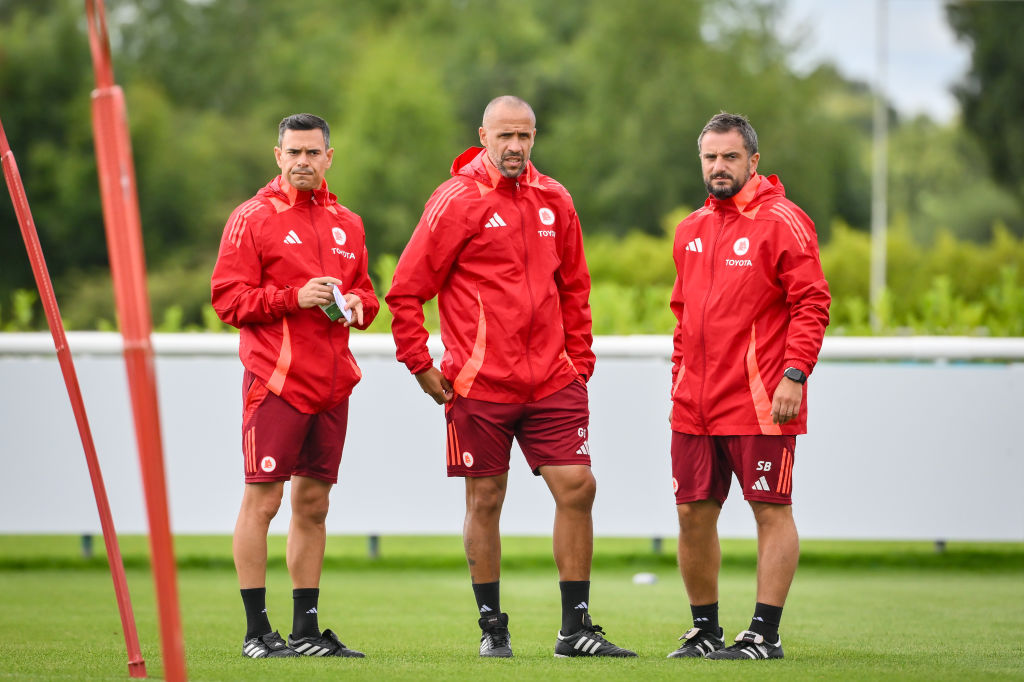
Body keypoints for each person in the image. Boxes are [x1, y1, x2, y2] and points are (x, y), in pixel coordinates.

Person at [385, 96, 636, 659]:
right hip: (479, 384)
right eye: (505, 136)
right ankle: (492, 626)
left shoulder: (556, 198)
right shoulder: (454, 200)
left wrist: (580, 364)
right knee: (487, 497)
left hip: (552, 381)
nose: (516, 147)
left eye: (525, 136)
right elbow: (405, 291)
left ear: (535, 137)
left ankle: (575, 629)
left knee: (578, 486)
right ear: (483, 135)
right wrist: (420, 365)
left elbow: (575, 288)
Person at [211, 113, 378, 659]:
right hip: (276, 383)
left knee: (314, 507)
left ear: (330, 157)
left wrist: (356, 305)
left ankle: (305, 632)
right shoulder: (252, 218)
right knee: (263, 501)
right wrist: (292, 297)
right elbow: (227, 300)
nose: (303, 161)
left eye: (313, 153)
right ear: (277, 156)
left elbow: (367, 298)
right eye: (294, 152)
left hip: (332, 387)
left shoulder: (348, 222)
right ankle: (257, 632)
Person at [666, 112, 830, 661]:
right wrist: (679, 379)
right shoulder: (690, 228)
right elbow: (682, 314)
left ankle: (764, 633)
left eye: (730, 157)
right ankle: (705, 629)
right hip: (695, 404)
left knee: (770, 509)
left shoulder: (784, 220)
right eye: (710, 157)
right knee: (692, 512)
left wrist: (794, 374)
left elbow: (812, 303)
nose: (718, 166)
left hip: (763, 400)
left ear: (753, 161)